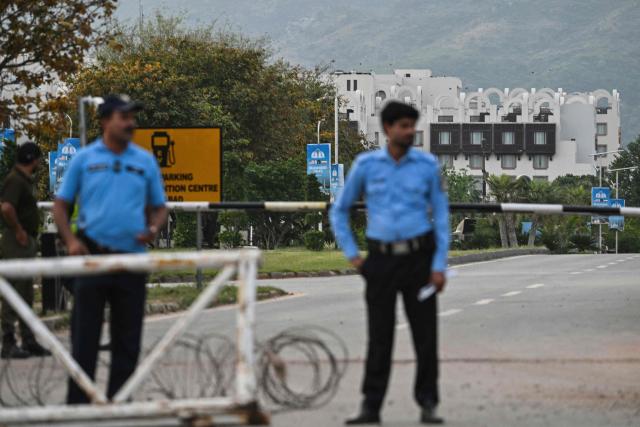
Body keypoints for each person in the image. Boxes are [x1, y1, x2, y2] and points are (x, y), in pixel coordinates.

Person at [330, 101, 450, 425]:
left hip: (419, 260)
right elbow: (339, 210)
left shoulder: (427, 166)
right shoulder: (366, 165)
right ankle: (371, 407)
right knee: (380, 336)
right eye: (403, 126)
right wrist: (353, 256)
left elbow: (441, 216)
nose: (410, 131)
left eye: (413, 125)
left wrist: (439, 265)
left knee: (425, 336)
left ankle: (428, 403)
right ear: (387, 129)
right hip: (380, 261)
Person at [53, 94, 168, 404]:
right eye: (123, 117)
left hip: (131, 257)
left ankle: (121, 402)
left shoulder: (144, 160)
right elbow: (61, 206)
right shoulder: (85, 159)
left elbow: (160, 207)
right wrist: (72, 241)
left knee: (127, 338)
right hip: (93, 256)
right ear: (105, 121)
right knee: (85, 336)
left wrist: (153, 228)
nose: (130, 123)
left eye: (132, 117)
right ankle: (78, 403)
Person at [0, 142, 51, 359]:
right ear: (32, 159)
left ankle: (29, 339)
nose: (40, 162)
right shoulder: (15, 180)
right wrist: (19, 231)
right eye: (38, 158)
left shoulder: (23, 180)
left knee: (27, 292)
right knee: (15, 291)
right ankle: (9, 341)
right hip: (16, 241)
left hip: (24, 240)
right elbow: (6, 207)